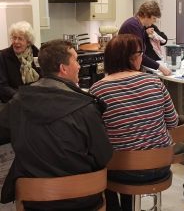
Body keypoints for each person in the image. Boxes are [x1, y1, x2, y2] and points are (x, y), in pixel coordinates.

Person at [0, 39, 113, 211]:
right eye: (76, 60)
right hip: (82, 198)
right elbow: (103, 155)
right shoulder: (86, 107)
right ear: (63, 68)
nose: (79, 66)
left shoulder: (18, 102)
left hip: (35, 199)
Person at [89, 34, 178, 211]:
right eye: (140, 53)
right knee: (126, 156)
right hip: (160, 165)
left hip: (122, 169)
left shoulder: (98, 89)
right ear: (131, 58)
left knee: (105, 161)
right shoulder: (155, 82)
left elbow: (96, 135)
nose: (142, 57)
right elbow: (173, 122)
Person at [118, 0, 171, 76]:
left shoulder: (138, 25)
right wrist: (161, 68)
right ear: (146, 15)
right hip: (125, 71)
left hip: (129, 69)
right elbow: (138, 54)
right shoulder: (132, 26)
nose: (154, 21)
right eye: (154, 18)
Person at [0, 21, 40, 103]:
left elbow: (44, 78)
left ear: (28, 42)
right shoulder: (3, 56)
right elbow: (2, 86)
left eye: (20, 39)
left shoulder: (37, 54)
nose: (16, 42)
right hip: (13, 102)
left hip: (36, 100)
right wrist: (21, 96)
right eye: (14, 38)